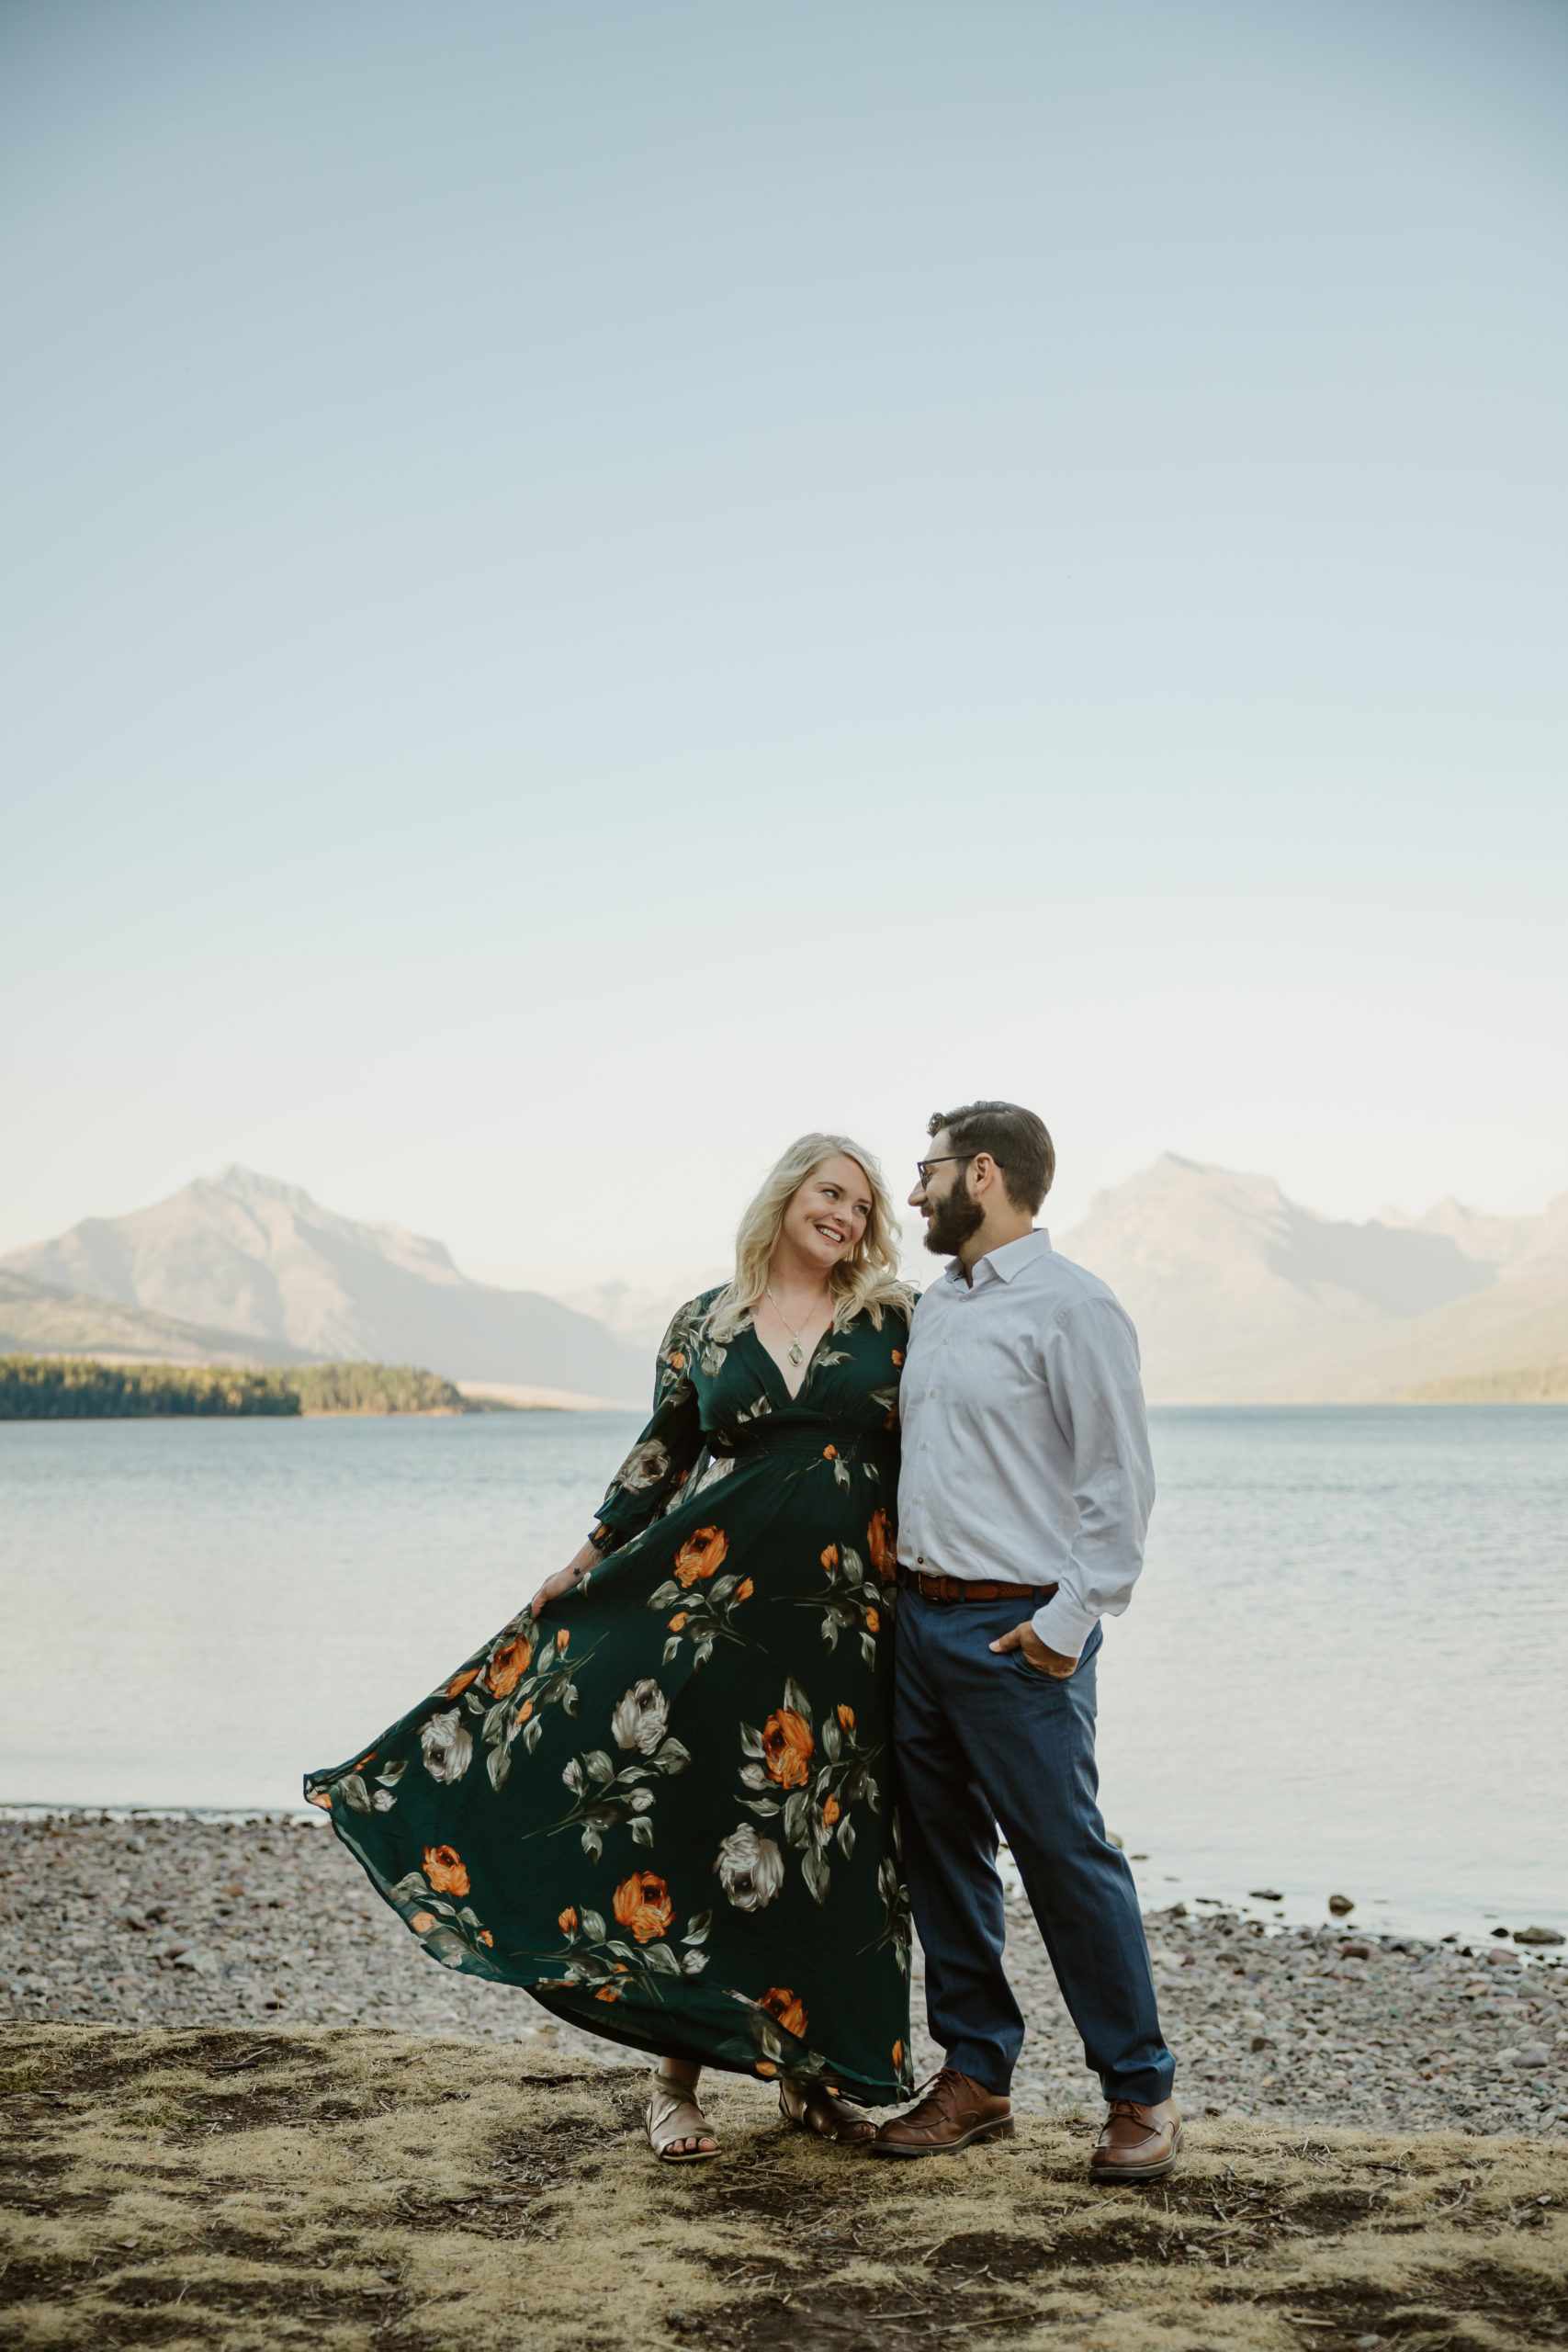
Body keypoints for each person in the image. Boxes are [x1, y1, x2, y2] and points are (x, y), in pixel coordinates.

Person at [305, 1135, 916, 2164]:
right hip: (714, 1608)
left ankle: (817, 2081)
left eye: (862, 1204)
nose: (847, 1217)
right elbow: (661, 1457)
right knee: (695, 1821)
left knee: (833, 1839)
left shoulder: (894, 1322)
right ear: (786, 1196)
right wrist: (583, 1561)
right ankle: (674, 2085)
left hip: (845, 1622)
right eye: (830, 1193)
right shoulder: (705, 1324)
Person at [871, 1100, 1180, 2181]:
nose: (914, 1194)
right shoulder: (936, 1308)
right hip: (918, 1618)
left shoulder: (1075, 1307)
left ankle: (1140, 2092)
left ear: (983, 1173)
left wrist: (1065, 1627)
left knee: (1065, 1856)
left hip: (1017, 1631)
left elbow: (1119, 1481)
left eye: (928, 1171)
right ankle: (978, 2074)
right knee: (942, 1854)